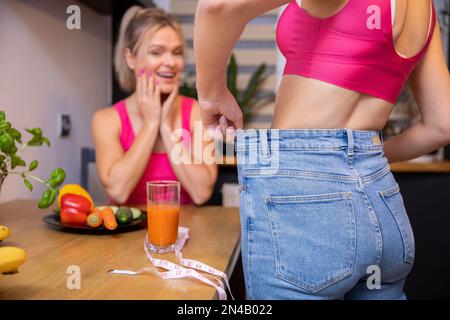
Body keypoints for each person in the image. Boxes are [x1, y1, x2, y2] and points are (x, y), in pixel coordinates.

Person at [194, 0, 450, 299]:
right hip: (383, 202)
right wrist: (358, 158)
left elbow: (217, 6)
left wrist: (212, 94)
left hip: (304, 198)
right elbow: (442, 125)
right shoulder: (424, 7)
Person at [92, 6, 217, 206]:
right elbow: (118, 191)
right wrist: (151, 123)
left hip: (186, 231)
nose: (170, 62)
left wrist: (166, 127)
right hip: (128, 235)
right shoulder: (106, 119)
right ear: (130, 58)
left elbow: (201, 193)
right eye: (156, 52)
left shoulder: (195, 112)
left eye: (177, 53)